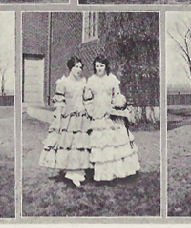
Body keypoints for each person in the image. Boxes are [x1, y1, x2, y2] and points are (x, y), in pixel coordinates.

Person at [84, 55, 140, 181]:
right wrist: (92, 112)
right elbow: (87, 99)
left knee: (114, 144)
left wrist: (117, 104)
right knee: (102, 145)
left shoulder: (112, 79)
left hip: (111, 114)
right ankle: (102, 175)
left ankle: (117, 172)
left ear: (106, 66)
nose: (99, 68)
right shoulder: (91, 81)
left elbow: (117, 95)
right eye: (97, 66)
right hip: (98, 115)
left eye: (101, 66)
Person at [39, 57, 92, 187]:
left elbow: (88, 100)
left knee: (80, 144)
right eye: (76, 67)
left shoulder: (84, 83)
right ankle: (70, 171)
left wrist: (88, 110)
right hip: (68, 118)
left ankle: (79, 170)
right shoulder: (63, 83)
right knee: (68, 143)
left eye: (80, 67)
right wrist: (59, 116)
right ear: (70, 68)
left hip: (82, 117)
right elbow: (59, 101)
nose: (79, 70)